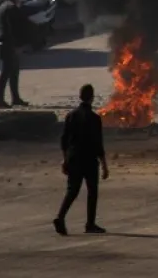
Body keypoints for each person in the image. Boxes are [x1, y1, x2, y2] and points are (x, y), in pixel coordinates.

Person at [54, 83, 109, 235]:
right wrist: (104, 165)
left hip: (73, 158)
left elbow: (64, 140)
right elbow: (99, 144)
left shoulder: (70, 116)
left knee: (72, 191)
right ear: (92, 98)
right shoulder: (94, 118)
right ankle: (90, 224)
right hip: (89, 160)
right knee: (92, 191)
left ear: (80, 97)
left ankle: (60, 217)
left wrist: (64, 159)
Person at [0, 0, 31, 109]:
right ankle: (0, 101)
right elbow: (13, 29)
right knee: (5, 73)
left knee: (13, 73)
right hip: (8, 45)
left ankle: (15, 98)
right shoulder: (11, 8)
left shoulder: (3, 6)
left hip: (5, 43)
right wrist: (17, 45)